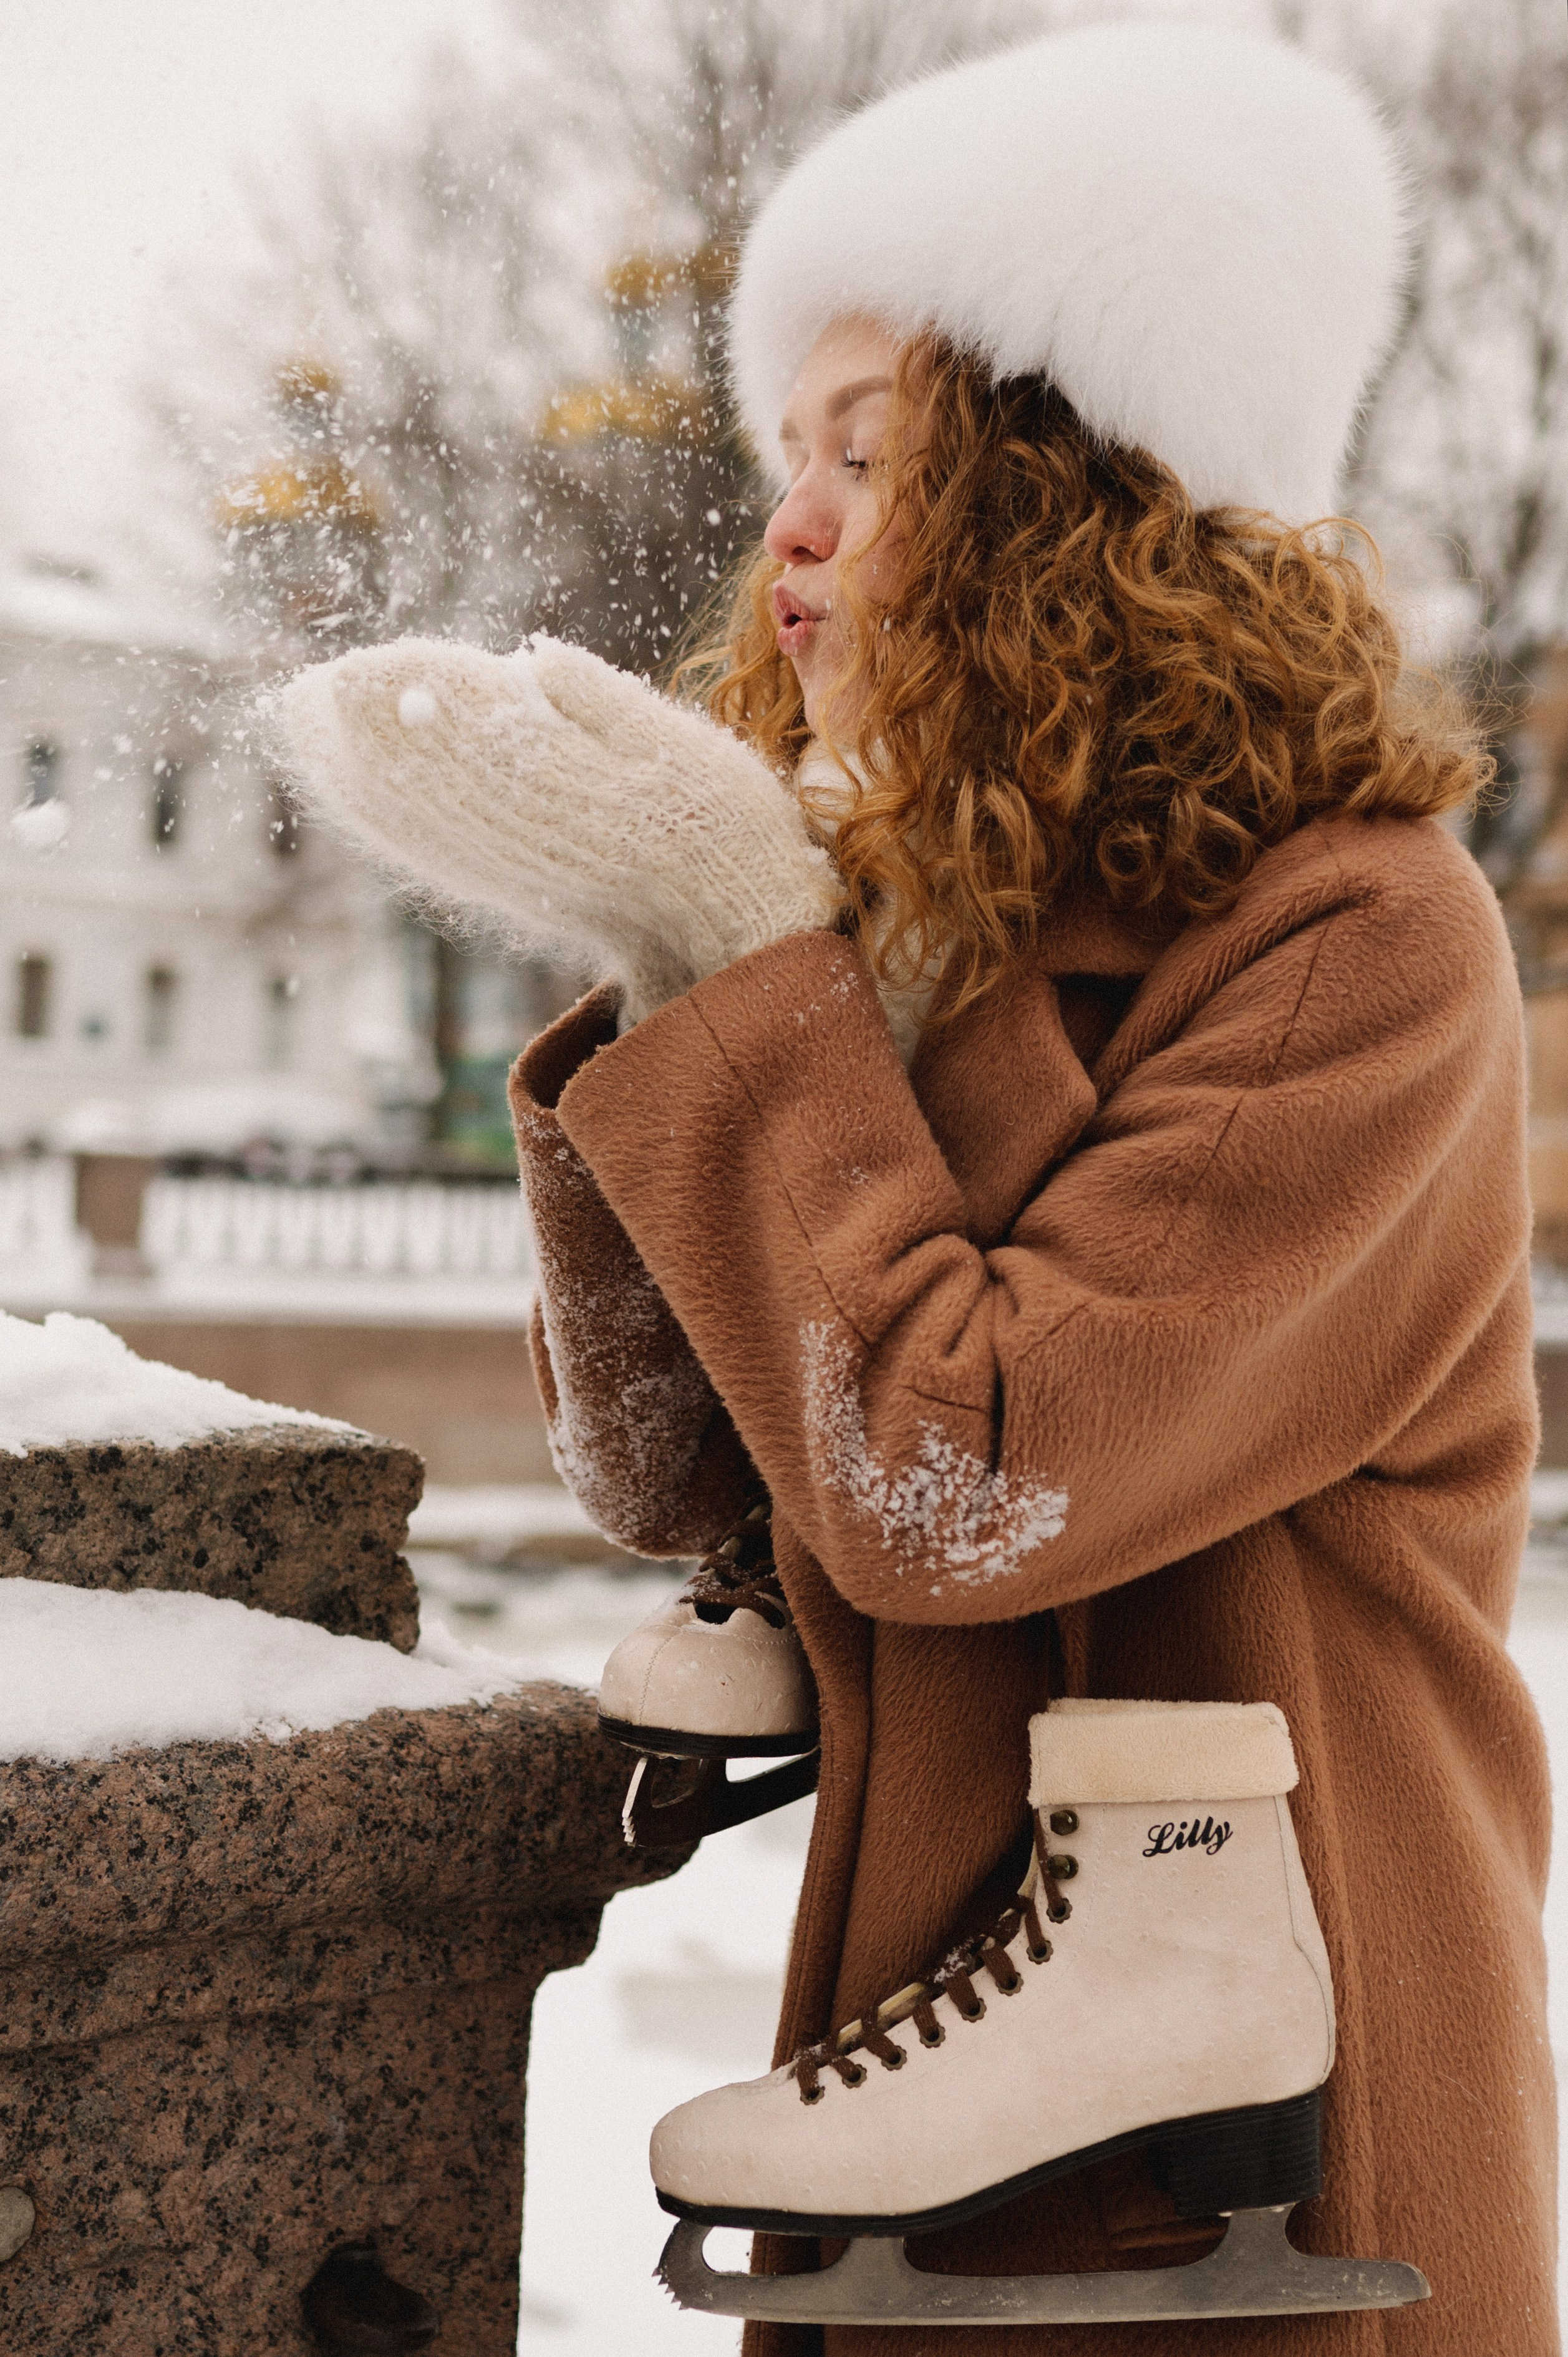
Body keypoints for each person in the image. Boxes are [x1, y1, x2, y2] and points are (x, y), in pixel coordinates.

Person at [275, 22, 1556, 2355]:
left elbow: (959, 1482)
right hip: (930, 2040)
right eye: (790, 455)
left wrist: (757, 970)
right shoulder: (899, 925)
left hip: (1260, 2109)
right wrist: (683, 959)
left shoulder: (1354, 935)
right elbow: (666, 1466)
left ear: (1085, 503)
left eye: (874, 451)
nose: (790, 520)